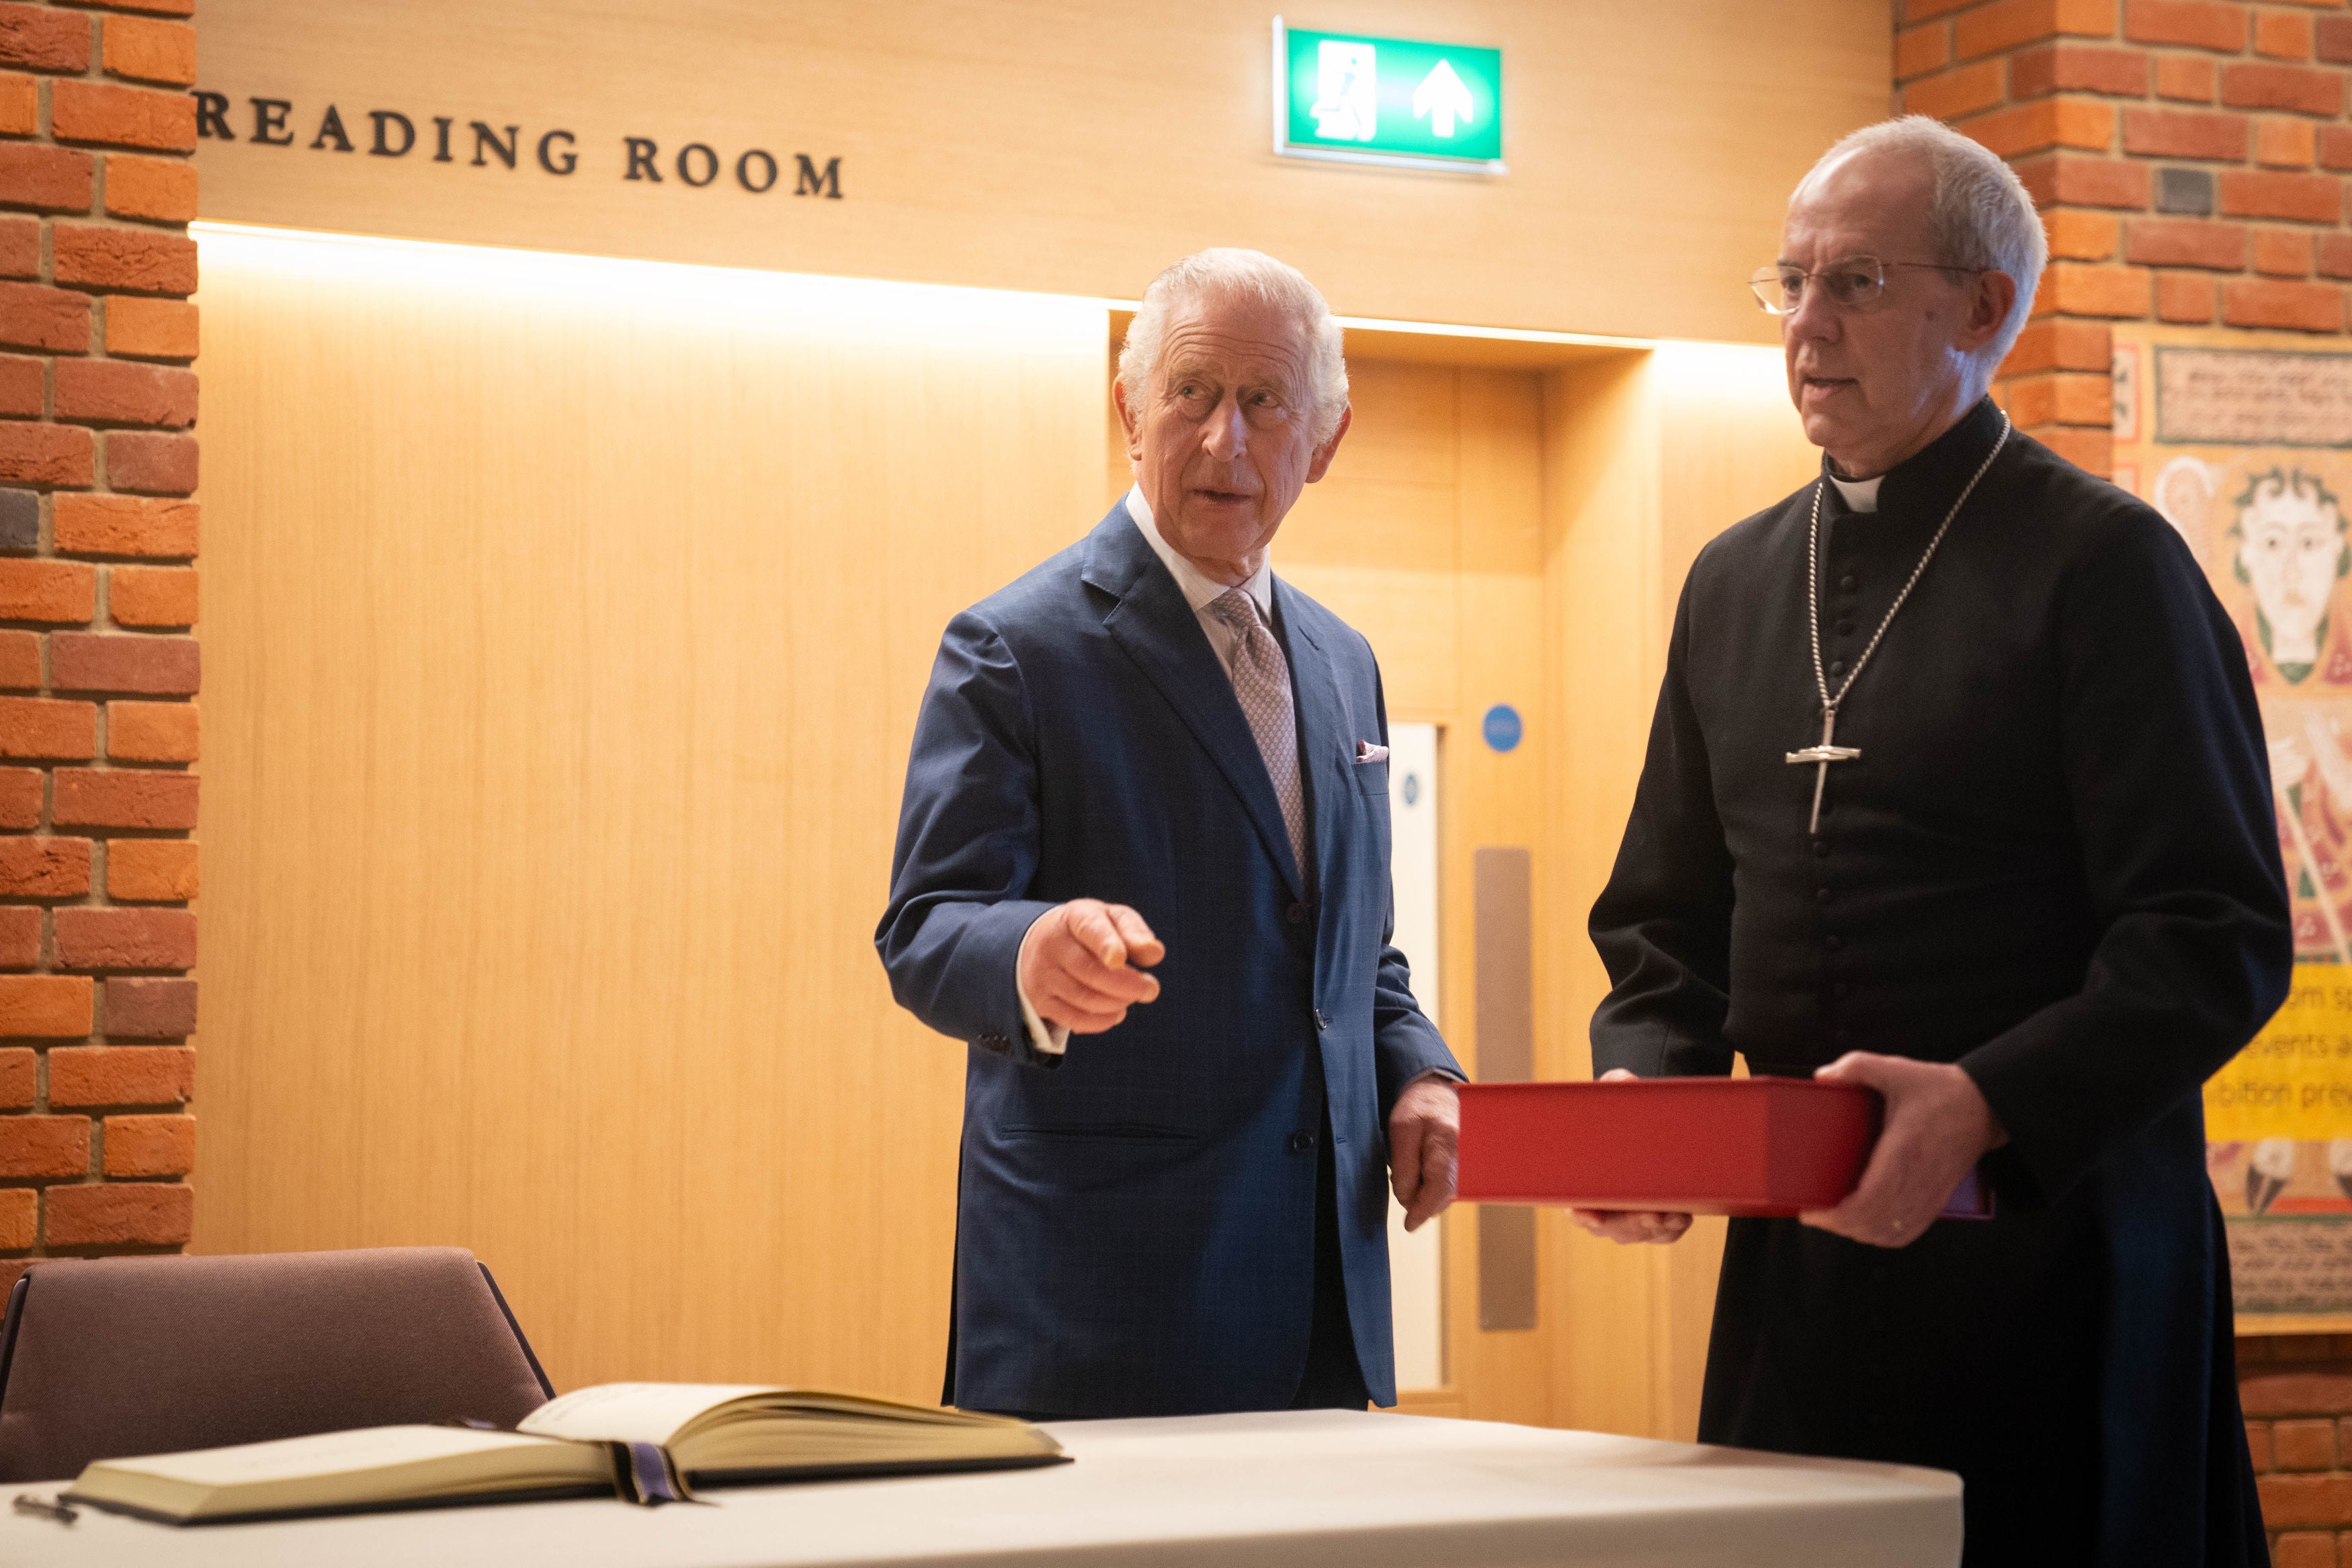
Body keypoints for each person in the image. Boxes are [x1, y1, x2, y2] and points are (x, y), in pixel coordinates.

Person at [1578, 116, 2292, 1565]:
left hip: (2060, 1255)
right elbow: (1664, 918)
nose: (1806, 325)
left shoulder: (2106, 565)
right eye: (1790, 283)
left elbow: (2213, 937)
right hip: (1804, 1271)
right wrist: (1648, 1088)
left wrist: (1984, 1102)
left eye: (1854, 281)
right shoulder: (1733, 581)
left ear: (1982, 308)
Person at [876, 248, 1463, 1420]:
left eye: (1265, 402)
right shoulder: (1014, 647)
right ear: (1130, 411)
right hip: (1103, 1311)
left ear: (1326, 440)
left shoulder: (1344, 661)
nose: (1222, 440)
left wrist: (1422, 1073)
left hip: (1320, 1309)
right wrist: (1031, 952)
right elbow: (926, 928)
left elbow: (1358, 958)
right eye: (1190, 393)